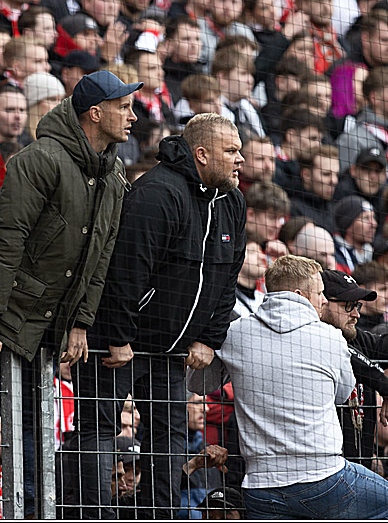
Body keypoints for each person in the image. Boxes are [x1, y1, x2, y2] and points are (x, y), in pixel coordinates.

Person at [0, 70, 142, 518]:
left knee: (36, 414)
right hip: (6, 307)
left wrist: (81, 322)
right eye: (124, 107)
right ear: (95, 114)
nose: (133, 116)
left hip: (52, 316)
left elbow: (101, 258)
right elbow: (6, 237)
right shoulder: (37, 159)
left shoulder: (113, 172)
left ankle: (38, 506)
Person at [77, 113, 246, 518]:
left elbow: (228, 280)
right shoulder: (158, 193)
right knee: (99, 432)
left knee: (168, 439)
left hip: (173, 352)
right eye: (232, 150)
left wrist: (209, 338)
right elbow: (124, 271)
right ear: (202, 154)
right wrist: (118, 338)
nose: (241, 158)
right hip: (120, 345)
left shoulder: (233, 202)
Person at [188, 256, 388, 519]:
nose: (324, 300)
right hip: (323, 477)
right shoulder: (331, 337)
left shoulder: (235, 333)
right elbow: (343, 394)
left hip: (260, 486)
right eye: (320, 293)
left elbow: (199, 384)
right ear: (299, 295)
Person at [318, 269, 388, 470]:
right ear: (322, 302)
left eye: (357, 306)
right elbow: (343, 353)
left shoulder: (358, 337)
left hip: (358, 466)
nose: (356, 314)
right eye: (348, 306)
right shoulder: (311, 342)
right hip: (326, 468)